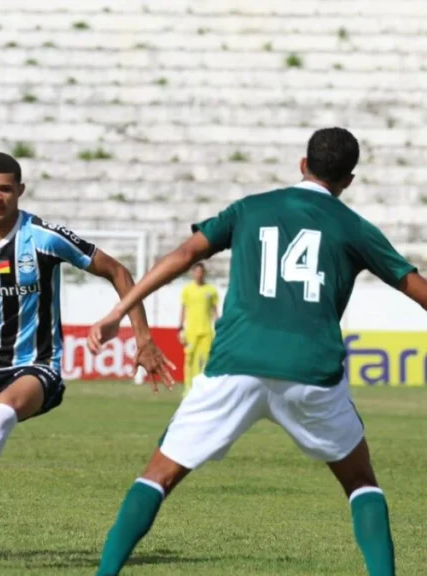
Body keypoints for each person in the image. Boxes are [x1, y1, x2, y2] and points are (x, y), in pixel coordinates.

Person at [87, 127, 427, 576]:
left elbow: (184, 254)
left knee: (159, 474)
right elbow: (416, 289)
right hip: (311, 372)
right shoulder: (354, 228)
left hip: (236, 365)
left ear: (302, 165)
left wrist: (119, 310)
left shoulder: (251, 209)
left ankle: (105, 573)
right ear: (349, 180)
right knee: (360, 481)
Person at [0, 152, 174, 558]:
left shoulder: (42, 237)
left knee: (1, 414)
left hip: (36, 364)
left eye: (5, 189)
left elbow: (118, 271)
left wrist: (141, 337)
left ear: (19, 191)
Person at [179, 262, 219, 391]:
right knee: (190, 360)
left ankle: (204, 388)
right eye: (196, 272)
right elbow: (183, 309)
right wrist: (180, 327)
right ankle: (188, 389)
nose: (199, 275)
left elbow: (214, 311)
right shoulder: (187, 290)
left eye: (201, 272)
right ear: (192, 273)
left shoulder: (211, 290)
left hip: (206, 330)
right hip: (191, 331)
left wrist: (219, 326)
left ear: (204, 273)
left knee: (207, 359)